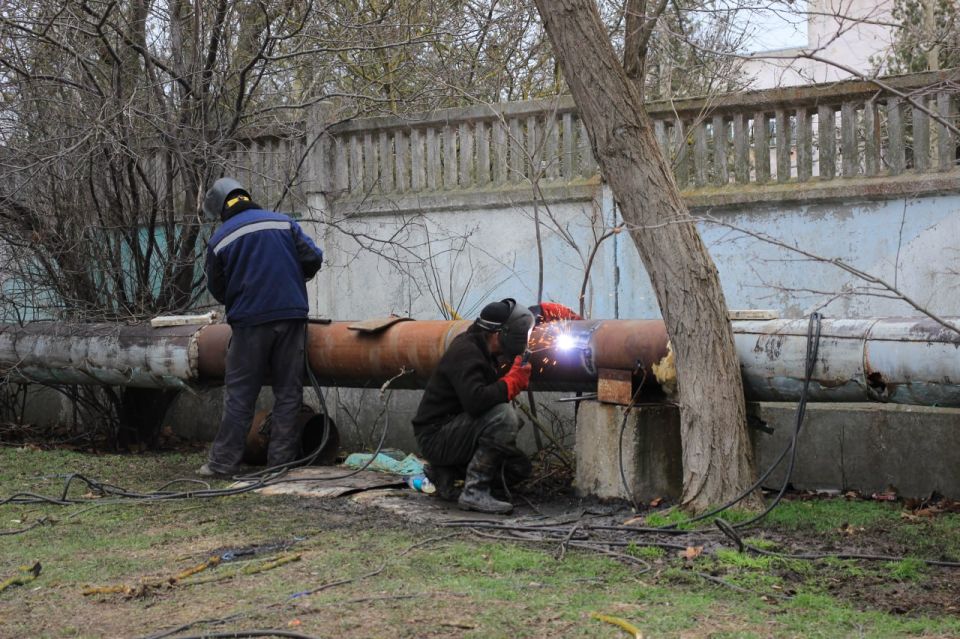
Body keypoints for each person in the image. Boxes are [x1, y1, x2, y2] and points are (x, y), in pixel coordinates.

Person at [198, 177, 324, 477]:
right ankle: (280, 463)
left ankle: (223, 464)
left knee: (241, 394)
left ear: (219, 210)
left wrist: (242, 298)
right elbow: (313, 258)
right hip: (291, 318)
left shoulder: (220, 239)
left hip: (250, 324)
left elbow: (217, 288)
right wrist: (294, 278)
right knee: (289, 393)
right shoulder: (283, 223)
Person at [412, 298, 535, 514]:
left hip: (453, 432)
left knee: (518, 468)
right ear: (497, 334)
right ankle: (474, 492)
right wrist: (511, 383)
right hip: (435, 437)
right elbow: (476, 401)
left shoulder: (483, 350)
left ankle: (445, 472)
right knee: (504, 418)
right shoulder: (466, 351)